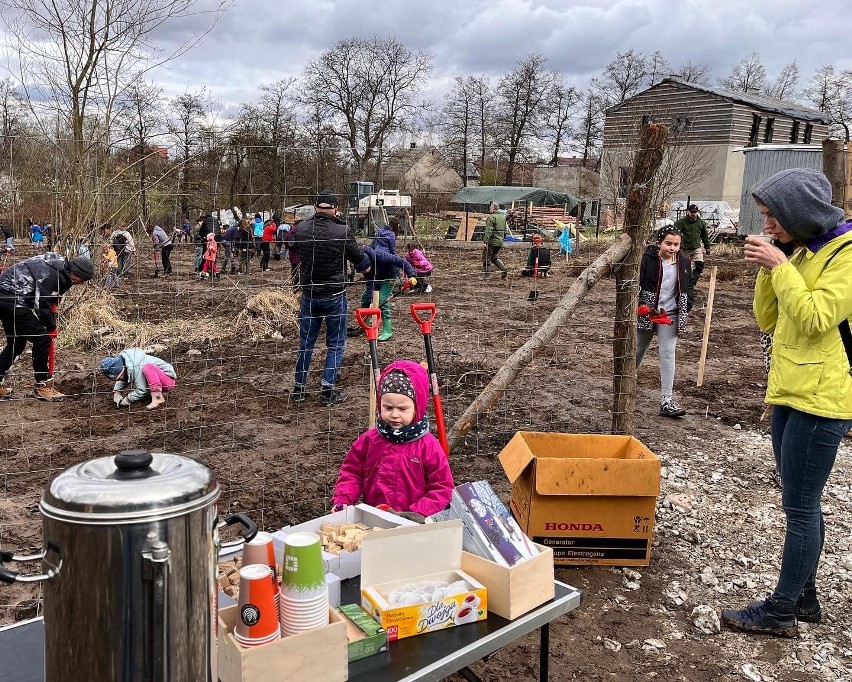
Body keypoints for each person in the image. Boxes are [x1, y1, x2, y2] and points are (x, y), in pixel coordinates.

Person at [721, 168, 852, 638]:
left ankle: (780, 611)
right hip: (789, 391)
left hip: (822, 398)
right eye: (765, 216)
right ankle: (805, 597)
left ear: (800, 212)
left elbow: (817, 317)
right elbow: (767, 317)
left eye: (774, 216)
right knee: (800, 502)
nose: (768, 225)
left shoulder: (847, 255)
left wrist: (780, 265)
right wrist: (770, 270)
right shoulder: (803, 252)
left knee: (799, 506)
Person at [331, 360, 454, 519]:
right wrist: (344, 498)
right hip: (374, 517)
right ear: (380, 404)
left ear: (418, 407)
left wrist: (416, 513)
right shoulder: (370, 440)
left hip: (412, 524)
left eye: (402, 409)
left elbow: (443, 488)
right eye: (388, 407)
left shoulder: (428, 446)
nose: (395, 414)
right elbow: (352, 472)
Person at [289, 190, 365, 406]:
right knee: (336, 344)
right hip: (334, 295)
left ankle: (299, 389)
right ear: (335, 209)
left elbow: (292, 245)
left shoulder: (301, 228)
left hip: (310, 295)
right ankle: (327, 390)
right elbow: (360, 260)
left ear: (315, 208)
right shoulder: (343, 230)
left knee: (306, 343)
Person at [0, 253, 94, 400]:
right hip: (11, 298)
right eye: (81, 279)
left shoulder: (62, 266)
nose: (81, 283)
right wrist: (51, 327)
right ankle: (42, 385)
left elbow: (49, 298)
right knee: (42, 339)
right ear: (74, 272)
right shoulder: (52, 275)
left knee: (17, 343)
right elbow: (42, 306)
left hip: (8, 296)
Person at [636, 226, 692, 418]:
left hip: (670, 315)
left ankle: (667, 401)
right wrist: (641, 304)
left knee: (668, 354)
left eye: (676, 244)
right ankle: (624, 385)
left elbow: (688, 287)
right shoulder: (647, 260)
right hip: (647, 312)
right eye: (668, 244)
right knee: (637, 350)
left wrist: (687, 305)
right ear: (659, 243)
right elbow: (638, 283)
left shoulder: (684, 261)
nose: (673, 248)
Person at [359, 245, 417, 342]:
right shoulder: (364, 265)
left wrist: (412, 275)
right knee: (366, 297)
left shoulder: (381, 256)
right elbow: (370, 286)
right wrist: (369, 300)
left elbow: (402, 262)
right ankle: (365, 324)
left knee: (382, 300)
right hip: (376, 277)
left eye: (364, 270)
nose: (363, 272)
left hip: (390, 277)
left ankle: (387, 331)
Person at [99, 349, 177, 410]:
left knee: (148, 368)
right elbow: (124, 378)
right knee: (145, 371)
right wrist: (117, 392)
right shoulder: (127, 364)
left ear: (123, 369)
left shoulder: (136, 366)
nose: (120, 379)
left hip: (168, 381)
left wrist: (128, 399)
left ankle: (158, 398)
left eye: (119, 377)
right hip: (158, 380)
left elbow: (142, 390)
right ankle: (155, 392)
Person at [674, 204, 711, 295]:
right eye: (691, 212)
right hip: (684, 248)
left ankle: (692, 284)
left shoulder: (701, 223)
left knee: (699, 265)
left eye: (695, 212)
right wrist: (675, 246)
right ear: (688, 212)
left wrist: (707, 247)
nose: (693, 214)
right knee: (683, 267)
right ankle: (682, 284)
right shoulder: (681, 222)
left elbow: (704, 235)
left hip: (696, 247)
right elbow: (674, 233)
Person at [482, 202, 508, 279]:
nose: (489, 209)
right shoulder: (503, 217)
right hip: (499, 242)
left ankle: (486, 276)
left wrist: (485, 241)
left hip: (492, 242)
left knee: (486, 257)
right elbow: (505, 230)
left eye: (490, 208)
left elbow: (488, 230)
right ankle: (503, 269)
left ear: (493, 209)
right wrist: (502, 239)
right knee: (493, 256)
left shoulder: (491, 217)